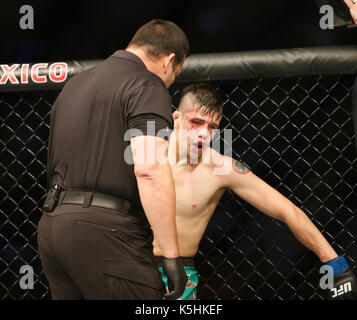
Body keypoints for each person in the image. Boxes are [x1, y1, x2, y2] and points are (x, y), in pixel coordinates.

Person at [153, 83, 357, 300]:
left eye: (212, 127)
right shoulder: (145, 157)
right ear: (176, 119)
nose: (203, 133)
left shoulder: (221, 169)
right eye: (196, 122)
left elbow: (287, 210)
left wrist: (335, 265)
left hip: (180, 271)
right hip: (129, 259)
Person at [37, 19, 190, 300]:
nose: (170, 81)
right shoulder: (148, 84)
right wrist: (171, 257)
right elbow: (150, 170)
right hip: (104, 231)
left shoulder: (74, 85)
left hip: (52, 227)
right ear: (169, 61)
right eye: (175, 74)